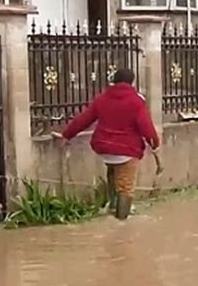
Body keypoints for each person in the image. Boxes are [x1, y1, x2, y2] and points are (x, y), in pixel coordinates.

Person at [55, 68, 160, 220]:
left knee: (113, 171)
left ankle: (112, 206)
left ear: (114, 81)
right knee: (126, 187)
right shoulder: (137, 101)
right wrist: (155, 143)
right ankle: (121, 224)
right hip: (127, 150)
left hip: (104, 148)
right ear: (132, 82)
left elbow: (84, 119)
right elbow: (146, 127)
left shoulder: (102, 98)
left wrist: (66, 135)